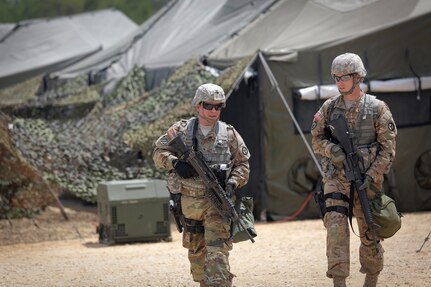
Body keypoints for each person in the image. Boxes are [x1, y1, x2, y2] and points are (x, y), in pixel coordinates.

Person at [311, 53, 397, 287]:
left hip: (367, 179)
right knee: (336, 228)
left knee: (370, 229)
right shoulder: (329, 108)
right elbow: (317, 139)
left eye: (344, 77)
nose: (339, 82)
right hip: (337, 178)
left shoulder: (377, 108)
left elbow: (387, 150)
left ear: (357, 77)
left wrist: (371, 175)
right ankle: (339, 281)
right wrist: (333, 150)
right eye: (335, 77)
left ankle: (371, 278)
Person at [152, 83, 250, 287]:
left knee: (217, 260)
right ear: (198, 106)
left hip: (218, 206)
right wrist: (175, 163)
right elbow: (158, 153)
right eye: (209, 106)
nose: (214, 111)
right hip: (190, 207)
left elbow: (243, 164)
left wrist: (232, 183)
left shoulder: (229, 133)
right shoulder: (181, 130)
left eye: (218, 106)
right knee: (198, 263)